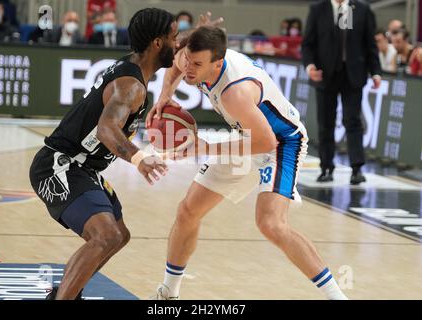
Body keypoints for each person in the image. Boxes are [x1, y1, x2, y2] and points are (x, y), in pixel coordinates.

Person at [146, 26, 348, 300]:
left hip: (281, 142)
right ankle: (169, 292)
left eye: (197, 65)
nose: (189, 69)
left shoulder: (236, 92)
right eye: (188, 61)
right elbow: (176, 66)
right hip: (245, 136)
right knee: (188, 211)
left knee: (271, 224)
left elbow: (266, 142)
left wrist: (205, 147)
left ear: (217, 63)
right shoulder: (191, 59)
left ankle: (338, 297)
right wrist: (164, 96)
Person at [29, 8, 176, 300]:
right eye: (174, 37)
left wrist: (205, 34)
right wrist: (139, 158)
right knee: (105, 236)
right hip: (60, 165)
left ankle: (65, 292)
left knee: (119, 236)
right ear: (158, 43)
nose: (179, 43)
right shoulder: (131, 86)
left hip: (83, 168)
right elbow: (107, 129)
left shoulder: (134, 65)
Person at [302, 0, 382, 184]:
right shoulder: (317, 9)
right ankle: (326, 167)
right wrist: (310, 66)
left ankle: (357, 169)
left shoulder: (362, 9)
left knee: (352, 121)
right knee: (326, 123)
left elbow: (370, 44)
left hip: (353, 74)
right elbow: (308, 44)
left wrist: (376, 72)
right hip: (325, 74)